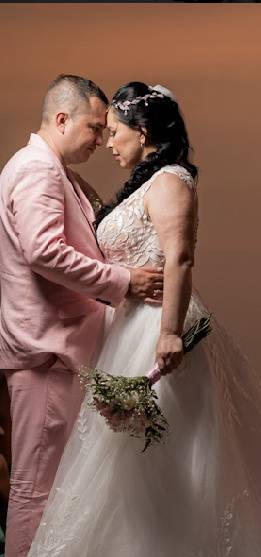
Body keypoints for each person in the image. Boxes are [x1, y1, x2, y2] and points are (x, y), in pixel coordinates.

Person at [27, 82, 261, 556]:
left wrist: (168, 333)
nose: (109, 142)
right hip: (126, 331)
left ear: (143, 133)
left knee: (166, 459)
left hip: (157, 328)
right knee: (129, 465)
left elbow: (179, 258)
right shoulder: (145, 185)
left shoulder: (172, 182)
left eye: (117, 132)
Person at [0, 75, 164, 557]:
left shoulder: (49, 169)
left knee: (58, 489)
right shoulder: (38, 170)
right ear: (62, 119)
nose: (101, 138)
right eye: (95, 128)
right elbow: (44, 251)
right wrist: (123, 281)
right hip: (47, 356)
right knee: (37, 490)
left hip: (60, 354)